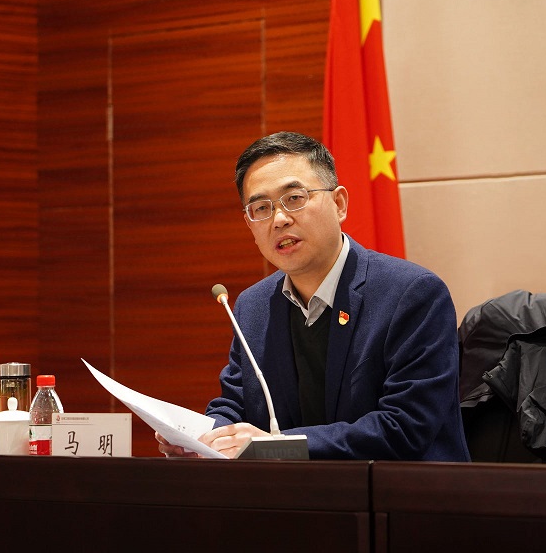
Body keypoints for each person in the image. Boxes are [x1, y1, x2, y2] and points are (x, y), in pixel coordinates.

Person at [157, 131, 469, 461]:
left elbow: (405, 426)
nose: (279, 220)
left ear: (339, 204)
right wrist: (202, 439)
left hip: (401, 490)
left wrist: (278, 445)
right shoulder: (253, 306)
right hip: (298, 491)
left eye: (294, 198)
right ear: (249, 225)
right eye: (261, 208)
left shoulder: (412, 294)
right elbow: (236, 405)